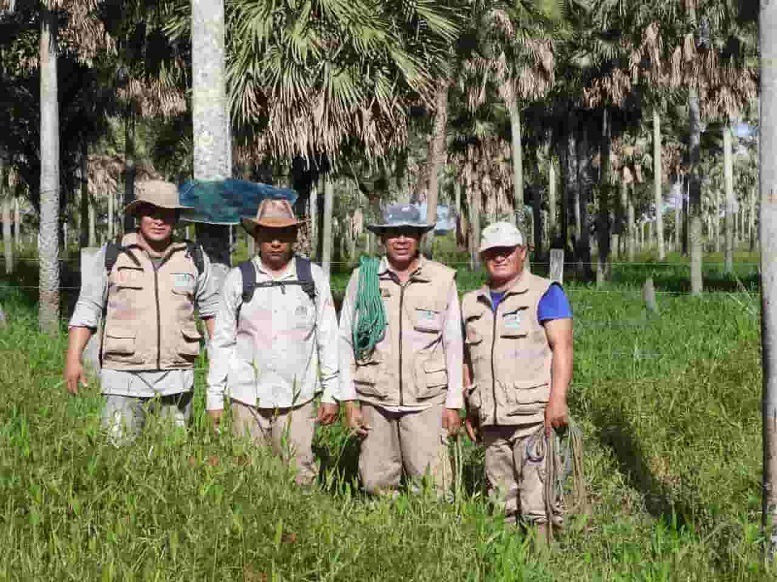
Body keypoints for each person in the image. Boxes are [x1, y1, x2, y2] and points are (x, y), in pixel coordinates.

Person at [65, 180, 220, 443]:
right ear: (138, 215)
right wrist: (73, 357)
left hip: (177, 380)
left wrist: (221, 363)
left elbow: (212, 311)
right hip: (122, 380)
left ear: (177, 217)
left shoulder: (193, 257)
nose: (159, 221)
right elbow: (88, 307)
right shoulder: (113, 254)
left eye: (167, 213)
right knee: (120, 458)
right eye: (151, 212)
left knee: (173, 458)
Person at [206, 199, 339, 486]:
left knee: (300, 470)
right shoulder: (237, 279)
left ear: (294, 237)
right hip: (247, 398)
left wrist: (331, 392)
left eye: (284, 235)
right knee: (248, 474)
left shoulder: (312, 278)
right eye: (268, 235)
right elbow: (222, 342)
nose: (276, 242)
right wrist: (215, 397)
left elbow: (328, 337)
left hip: (298, 398)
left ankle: (303, 524)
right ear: (257, 237)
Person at [339, 203, 463, 495]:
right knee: (374, 483)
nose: (402, 240)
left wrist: (454, 402)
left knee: (435, 486)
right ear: (382, 239)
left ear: (419, 238)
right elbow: (344, 338)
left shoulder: (442, 279)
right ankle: (384, 534)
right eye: (394, 233)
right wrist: (349, 400)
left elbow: (453, 342)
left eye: (409, 233)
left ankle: (433, 536)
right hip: (375, 399)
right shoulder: (363, 278)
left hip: (427, 400)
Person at [461, 221, 573, 541]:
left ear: (522, 252)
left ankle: (544, 561)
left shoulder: (545, 292)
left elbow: (562, 347)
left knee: (539, 502)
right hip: (491, 422)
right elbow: (466, 359)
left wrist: (558, 400)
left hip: (533, 419)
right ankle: (507, 561)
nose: (500, 257)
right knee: (500, 502)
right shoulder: (471, 302)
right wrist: (471, 406)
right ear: (483, 256)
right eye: (492, 252)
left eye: (507, 251)